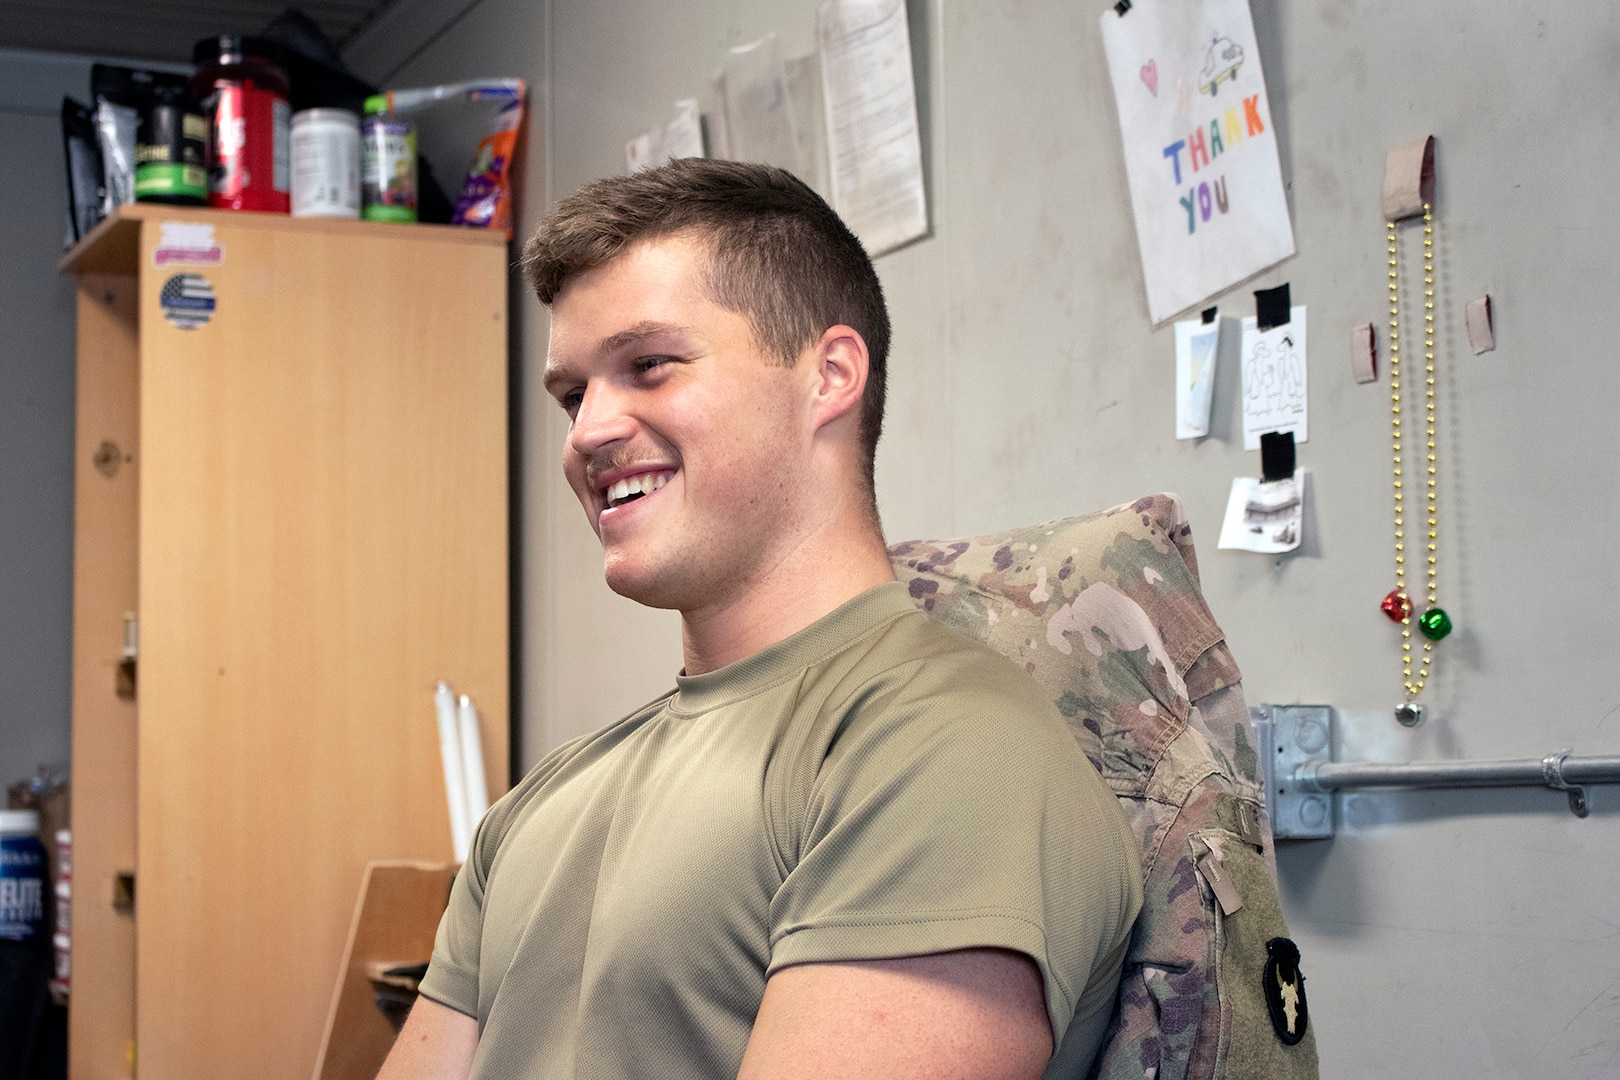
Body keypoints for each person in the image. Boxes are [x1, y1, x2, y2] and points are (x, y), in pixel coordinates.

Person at [379, 159, 1141, 1080]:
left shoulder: (946, 750)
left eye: (648, 366)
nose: (585, 432)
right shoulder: (537, 810)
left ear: (828, 375)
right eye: (574, 394)